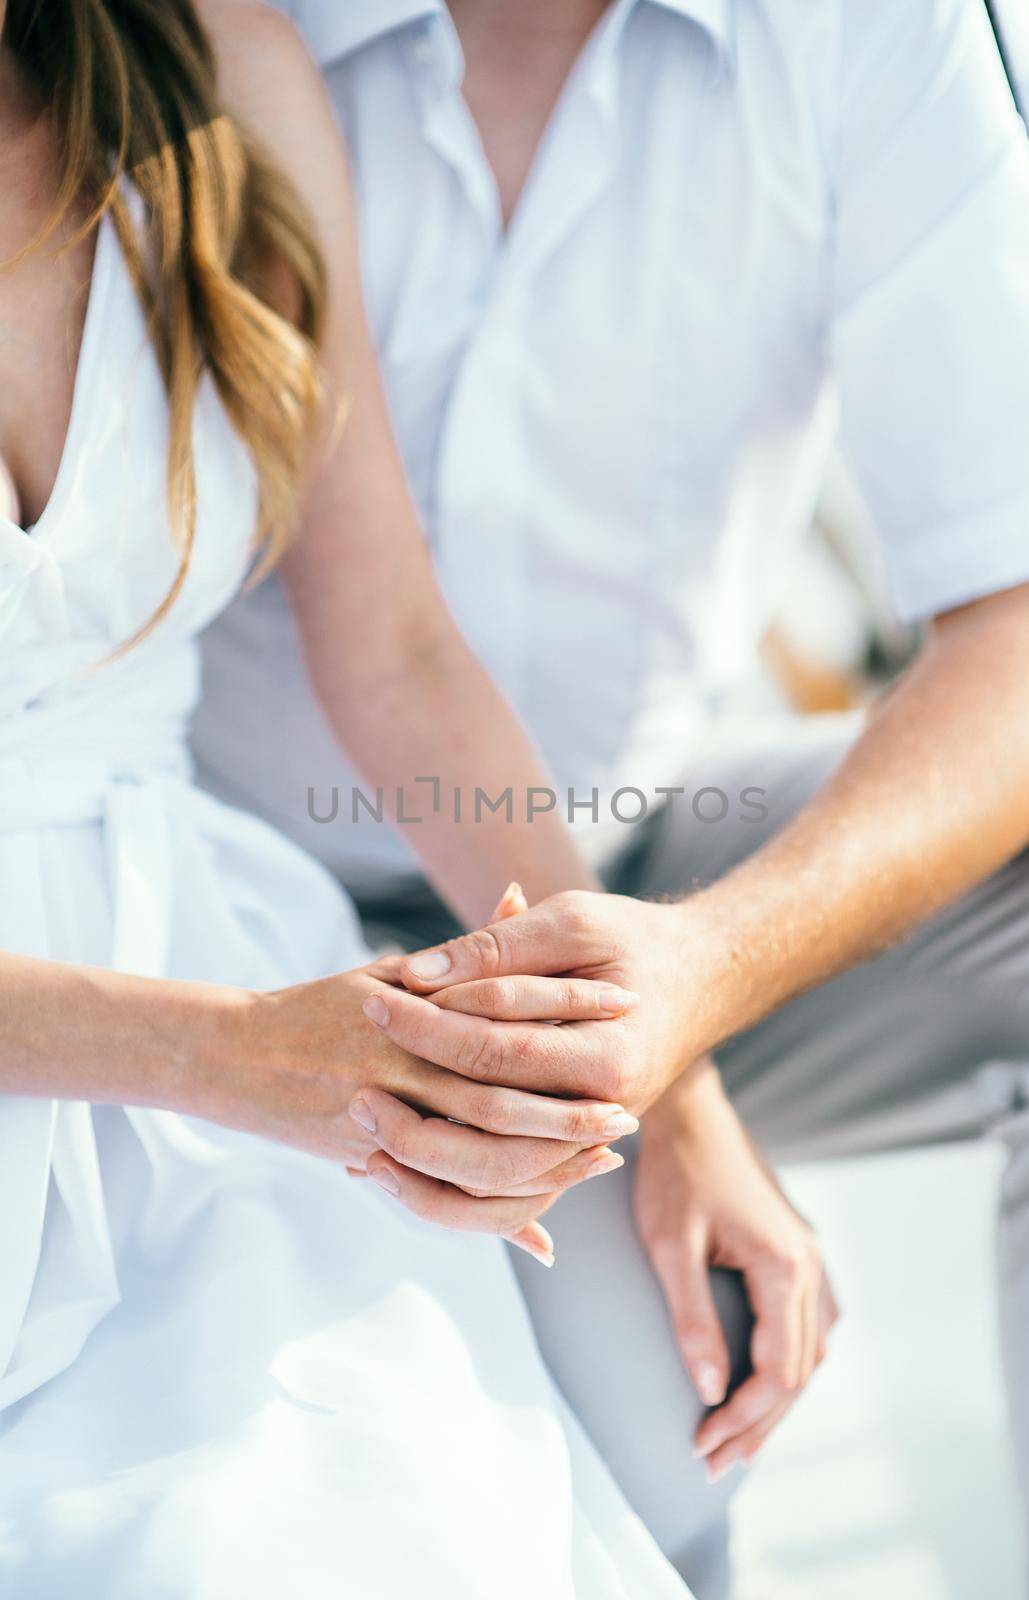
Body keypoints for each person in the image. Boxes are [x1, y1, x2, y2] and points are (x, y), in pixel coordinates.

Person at [195, 1, 1029, 1596]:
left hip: (639, 863)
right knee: (661, 1427)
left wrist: (696, 992)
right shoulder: (197, 39)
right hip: (233, 912)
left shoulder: (886, 36)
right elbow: (379, 635)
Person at [0, 2, 710, 1594]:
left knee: (377, 1513)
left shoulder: (218, 66)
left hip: (207, 1023)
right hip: (196, 1043)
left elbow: (392, 646)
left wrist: (661, 1078)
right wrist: (232, 1053)